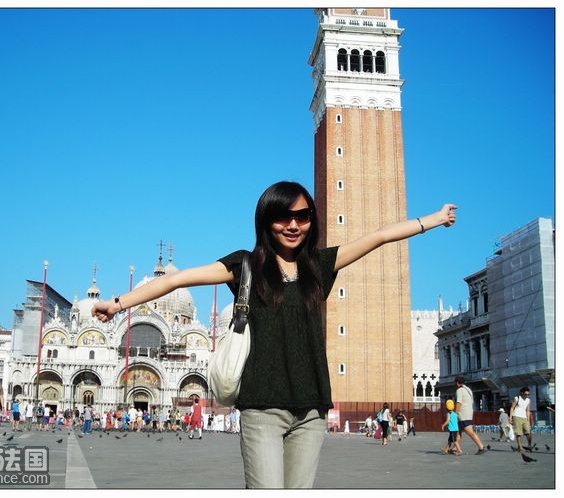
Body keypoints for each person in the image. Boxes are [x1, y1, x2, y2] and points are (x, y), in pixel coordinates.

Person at [92, 181, 457, 488]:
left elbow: (379, 237)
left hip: (311, 410)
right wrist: (118, 304)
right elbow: (177, 279)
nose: (293, 225)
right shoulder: (246, 265)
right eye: (283, 216)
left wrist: (435, 219)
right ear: (266, 220)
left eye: (302, 216)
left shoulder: (318, 266)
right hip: (262, 408)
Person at [454, 375, 485, 455]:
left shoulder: (460, 390)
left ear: (457, 383)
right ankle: (455, 447)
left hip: (463, 414)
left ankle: (481, 447)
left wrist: (455, 413)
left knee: (469, 431)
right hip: (469, 412)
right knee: (458, 431)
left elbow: (459, 402)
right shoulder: (468, 389)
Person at [509, 387, 533, 453]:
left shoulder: (528, 400)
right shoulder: (517, 398)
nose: (527, 396)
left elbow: (528, 410)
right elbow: (512, 408)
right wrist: (510, 417)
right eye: (526, 394)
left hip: (524, 417)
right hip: (516, 416)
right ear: (522, 393)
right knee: (518, 433)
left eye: (528, 394)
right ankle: (520, 447)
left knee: (528, 432)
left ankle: (529, 445)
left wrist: (528, 420)